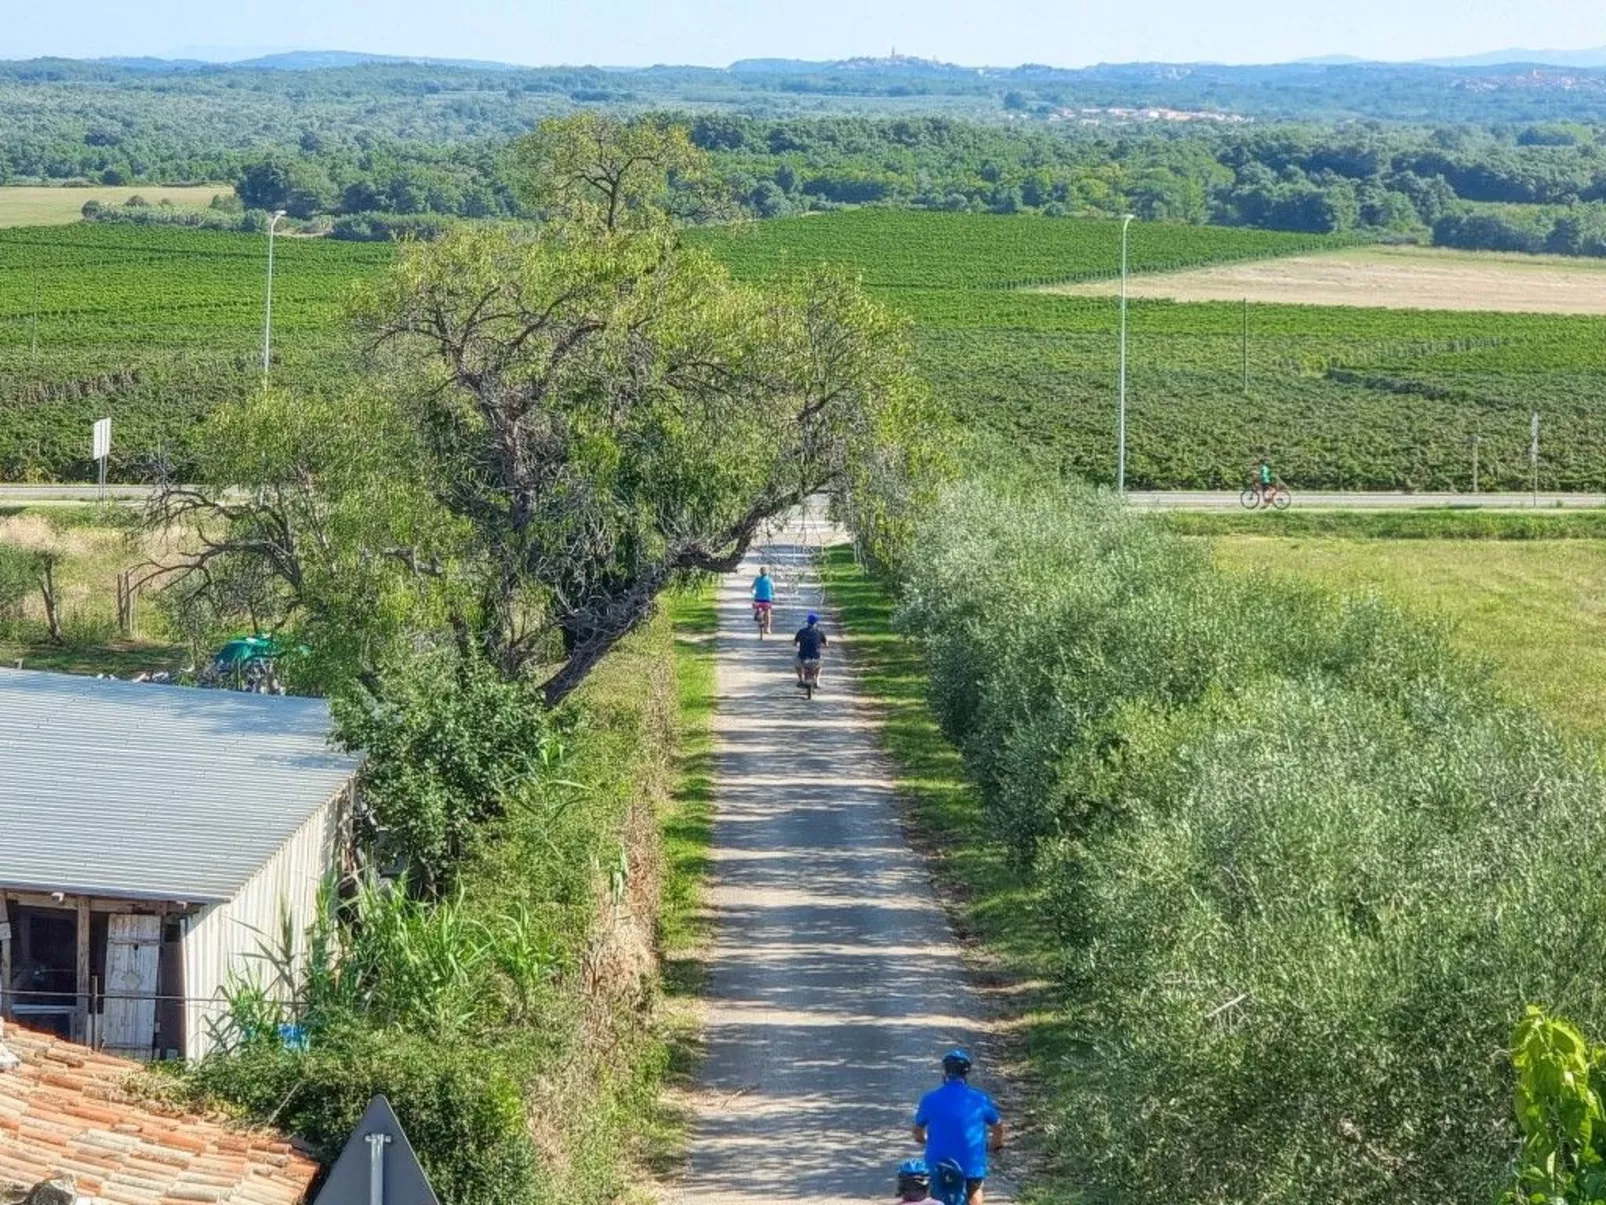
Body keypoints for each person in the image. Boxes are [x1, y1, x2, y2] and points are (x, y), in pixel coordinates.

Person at [911, 1049, 1003, 1205]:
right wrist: (996, 1144)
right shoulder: (979, 1098)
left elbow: (917, 1129)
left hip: (938, 1160)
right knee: (974, 1189)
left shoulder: (930, 1098)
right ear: (966, 1073)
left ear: (945, 1071)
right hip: (971, 1160)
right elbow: (998, 1126)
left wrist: (921, 1139)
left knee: (935, 1191)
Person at [793, 611, 828, 687]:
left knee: (796, 663)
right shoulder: (820, 632)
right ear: (816, 623)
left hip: (802, 659)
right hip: (816, 659)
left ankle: (801, 679)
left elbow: (794, 643)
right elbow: (826, 644)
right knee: (820, 666)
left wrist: (798, 644)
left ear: (807, 622)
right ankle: (817, 680)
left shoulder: (801, 631)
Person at [751, 566, 775, 634]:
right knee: (768, 614)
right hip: (767, 599)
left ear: (760, 572)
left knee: (759, 608)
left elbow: (752, 587)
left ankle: (758, 613)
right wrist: (773, 593)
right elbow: (773, 588)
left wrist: (753, 592)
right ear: (767, 573)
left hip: (758, 599)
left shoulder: (757, 579)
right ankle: (768, 628)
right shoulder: (769, 579)